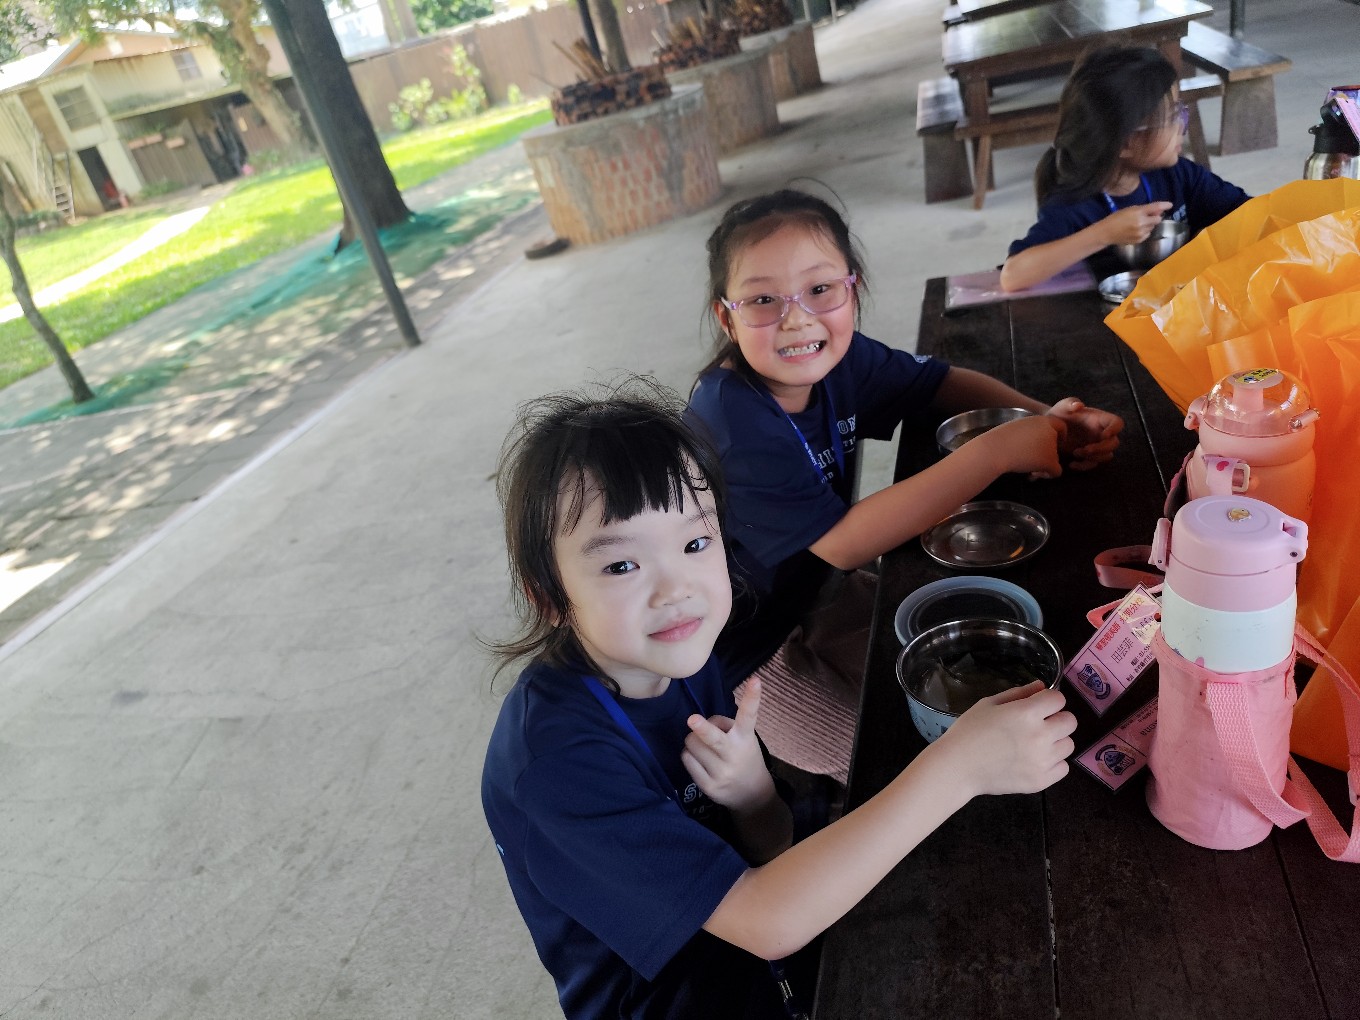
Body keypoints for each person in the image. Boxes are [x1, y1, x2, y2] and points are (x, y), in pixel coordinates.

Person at [481, 377, 1078, 1020]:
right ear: (547, 595)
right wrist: (959, 768)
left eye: (695, 543)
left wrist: (753, 794)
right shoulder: (554, 766)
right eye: (621, 566)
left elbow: (772, 844)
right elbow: (768, 920)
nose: (676, 590)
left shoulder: (682, 659)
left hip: (763, 947)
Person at [686, 188, 1123, 783]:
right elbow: (843, 543)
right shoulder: (731, 421)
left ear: (853, 288)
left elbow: (935, 384)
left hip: (821, 593)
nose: (797, 318)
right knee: (898, 770)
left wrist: (1044, 418)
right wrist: (999, 450)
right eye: (762, 300)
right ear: (726, 316)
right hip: (751, 649)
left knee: (981, 668)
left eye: (820, 289)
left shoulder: (839, 360)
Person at [1000, 46, 1251, 292]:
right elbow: (1012, 276)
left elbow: (1250, 212)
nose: (1181, 125)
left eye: (1179, 111)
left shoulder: (1179, 175)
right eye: (1171, 117)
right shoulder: (1075, 204)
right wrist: (1104, 234)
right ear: (1125, 143)